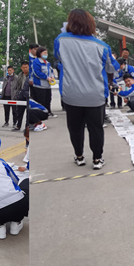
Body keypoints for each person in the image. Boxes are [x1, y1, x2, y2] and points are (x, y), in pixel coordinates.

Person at [54, 9, 116, 170]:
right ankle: (97, 159)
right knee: (96, 129)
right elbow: (111, 68)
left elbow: (58, 57)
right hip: (95, 95)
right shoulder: (102, 46)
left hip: (71, 94)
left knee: (75, 128)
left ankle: (79, 156)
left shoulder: (60, 40)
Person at [31, 47, 54, 117]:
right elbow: (37, 72)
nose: (46, 54)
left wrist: (52, 77)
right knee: (41, 101)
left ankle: (48, 112)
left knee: (48, 99)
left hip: (47, 85)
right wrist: (46, 77)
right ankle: (41, 114)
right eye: (44, 53)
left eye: (46, 53)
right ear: (40, 53)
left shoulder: (47, 63)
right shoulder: (36, 62)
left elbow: (51, 71)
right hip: (40, 85)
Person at [12, 62, 30, 131]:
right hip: (21, 94)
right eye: (23, 67)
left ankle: (27, 127)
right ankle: (18, 126)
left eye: (26, 67)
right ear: (21, 68)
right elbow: (17, 85)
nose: (25, 69)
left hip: (28, 94)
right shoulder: (20, 75)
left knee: (28, 112)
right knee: (19, 112)